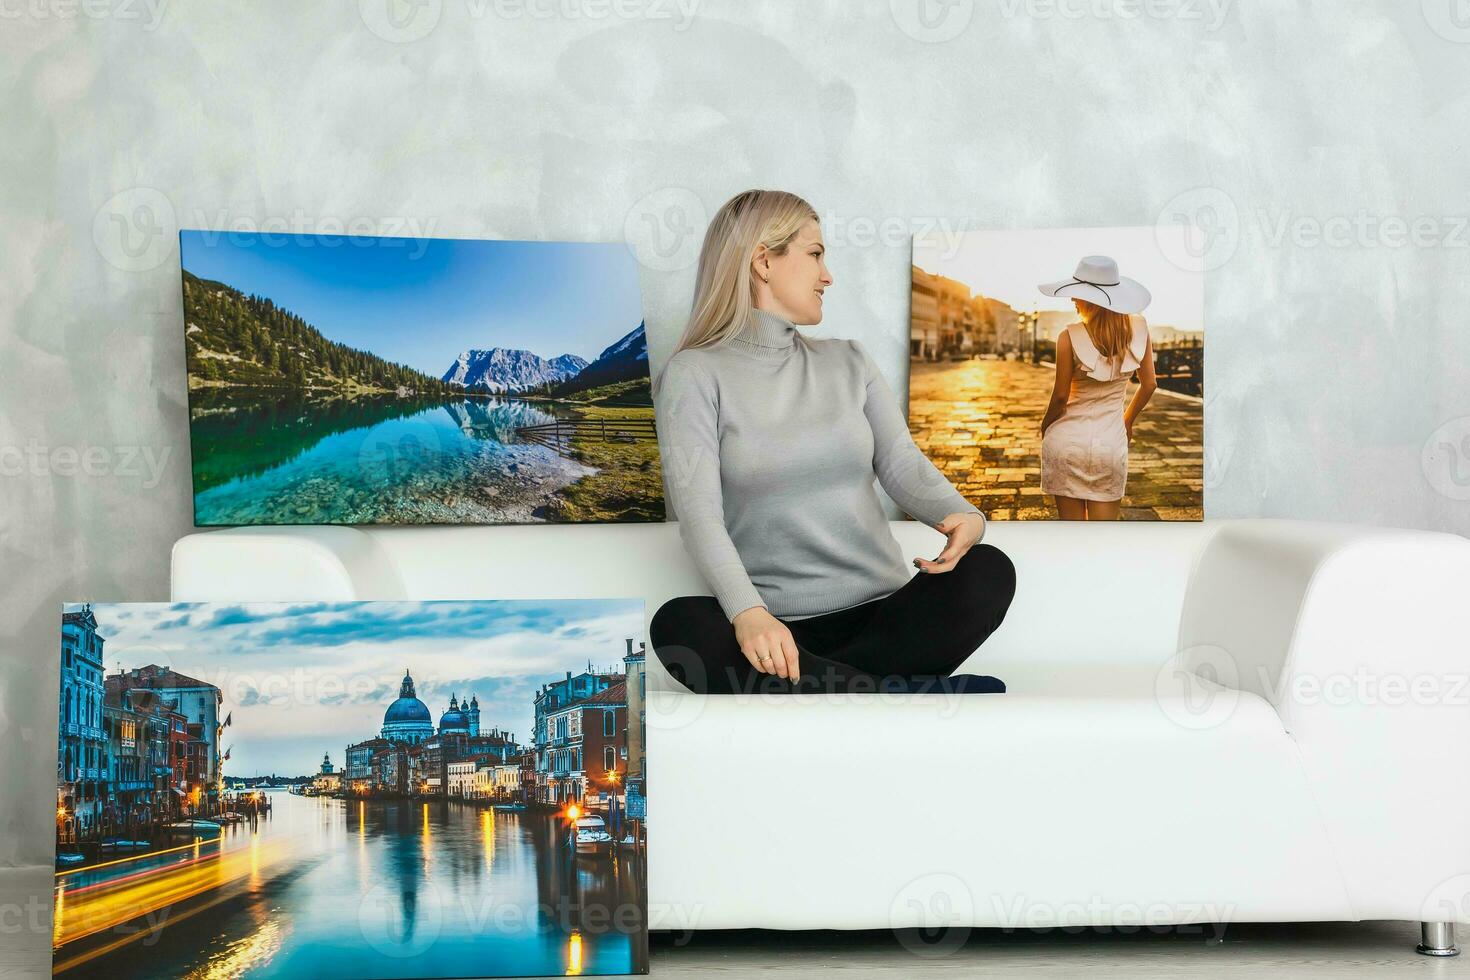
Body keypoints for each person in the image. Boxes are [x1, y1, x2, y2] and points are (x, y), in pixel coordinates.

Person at [648, 189, 1017, 696]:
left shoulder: (849, 360)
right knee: (679, 626)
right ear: (763, 261)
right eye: (815, 254)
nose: (828, 275)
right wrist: (748, 613)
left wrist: (961, 516)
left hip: (884, 621)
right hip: (777, 640)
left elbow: (899, 461)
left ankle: (839, 689)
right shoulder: (693, 374)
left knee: (989, 570)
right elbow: (698, 516)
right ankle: (893, 693)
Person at [1037, 256, 1159, 521]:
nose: (1072, 300)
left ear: (1090, 300)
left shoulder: (1068, 337)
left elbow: (1060, 397)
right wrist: (1127, 421)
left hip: (1066, 442)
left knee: (1073, 537)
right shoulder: (1139, 330)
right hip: (1110, 443)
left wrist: (1045, 426)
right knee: (1103, 536)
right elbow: (1149, 384)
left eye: (1077, 294)